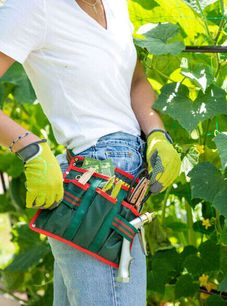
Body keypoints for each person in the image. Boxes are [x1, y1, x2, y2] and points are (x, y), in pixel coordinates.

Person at [0, 0, 181, 305]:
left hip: (127, 184)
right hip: (93, 194)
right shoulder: (32, 6)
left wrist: (157, 133)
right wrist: (29, 146)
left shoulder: (114, 4)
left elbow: (135, 80)